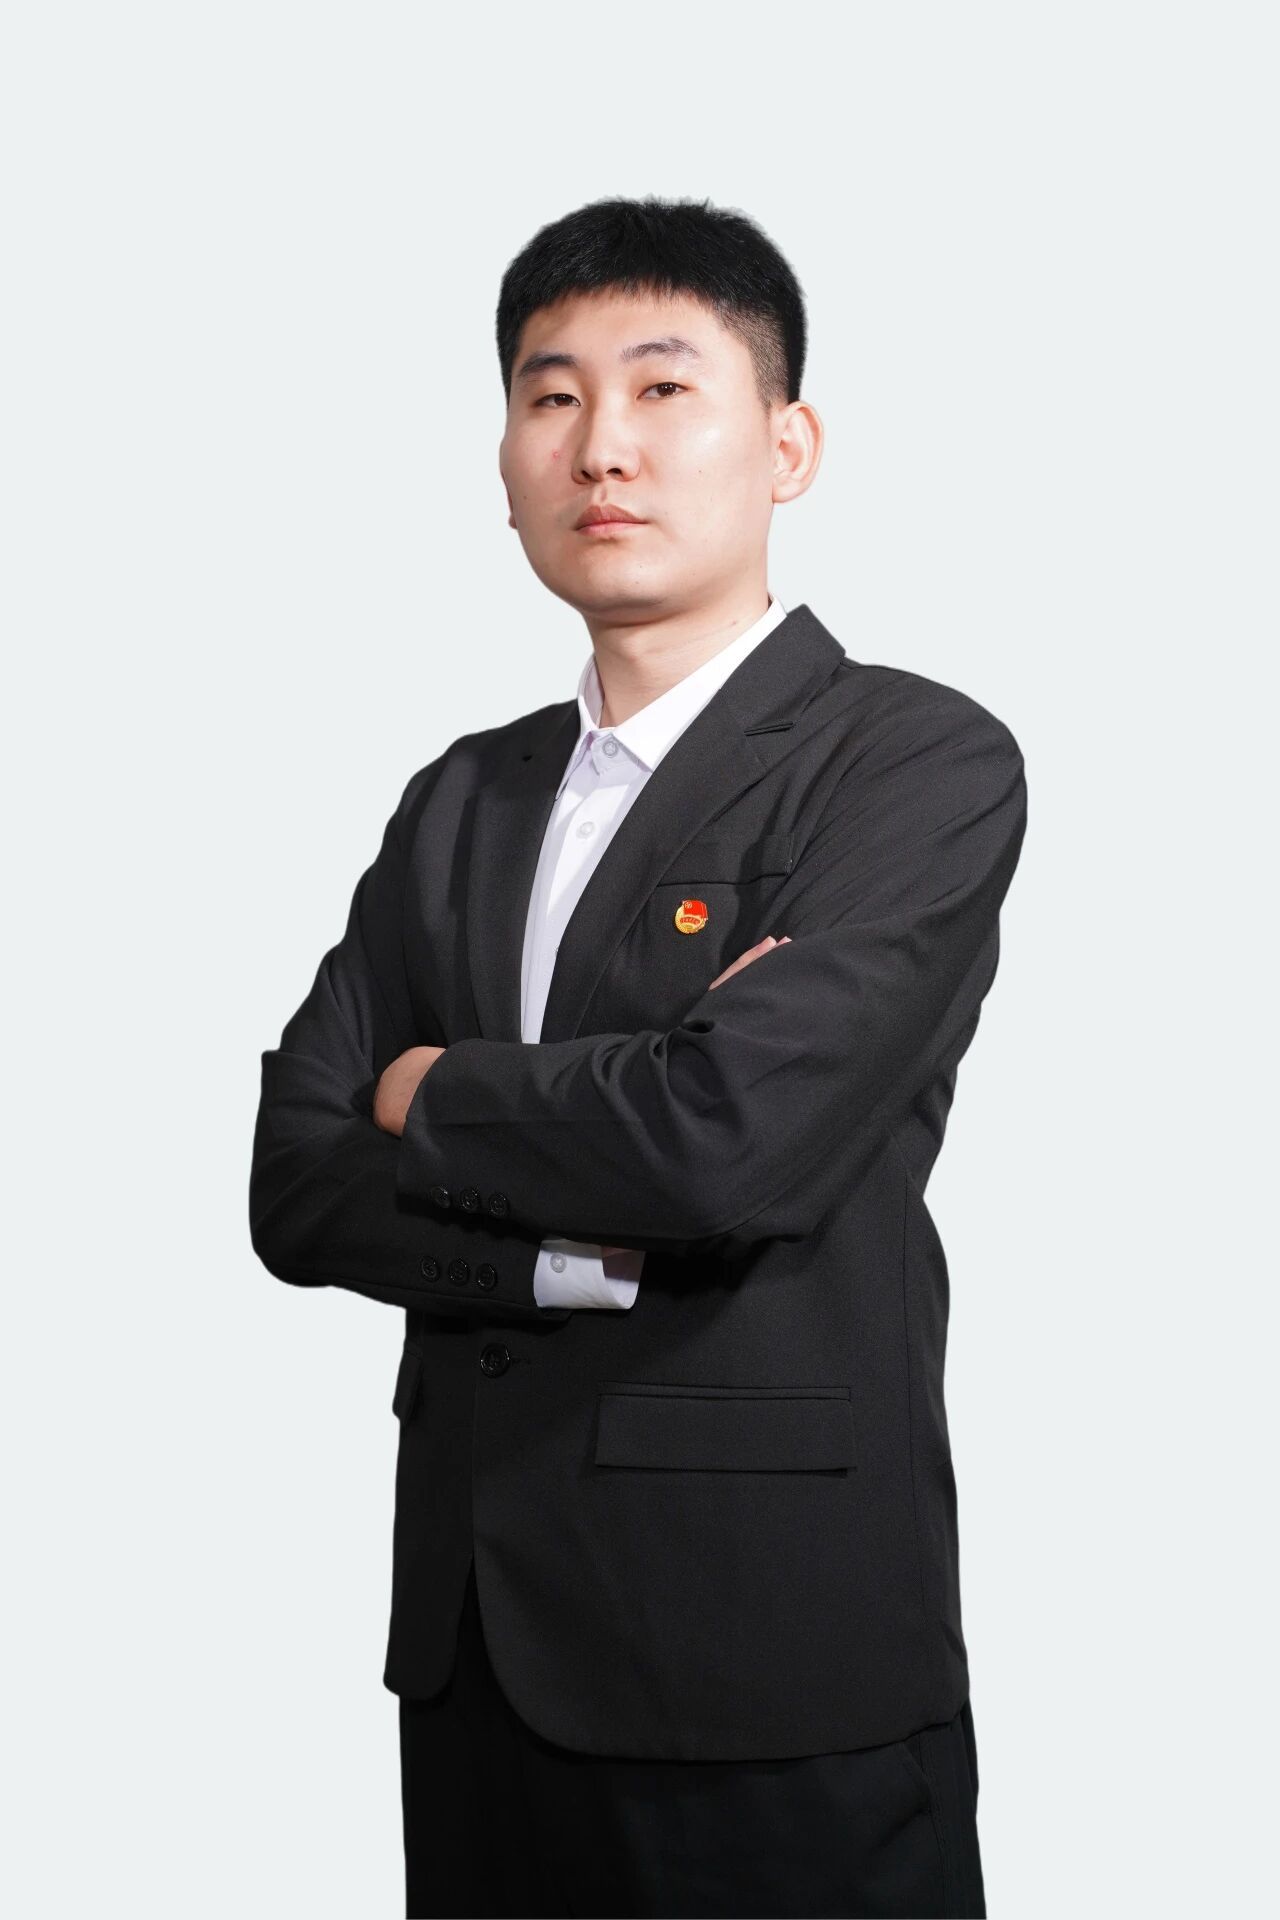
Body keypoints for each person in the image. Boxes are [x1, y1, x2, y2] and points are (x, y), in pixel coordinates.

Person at [250, 193, 1027, 1918]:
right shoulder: (462, 799)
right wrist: (566, 1241)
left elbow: (721, 1139)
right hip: (476, 1652)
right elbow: (294, 1177)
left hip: (768, 1651)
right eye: (552, 396)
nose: (602, 444)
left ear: (787, 445)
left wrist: (428, 1090)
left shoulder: (910, 762)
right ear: (506, 459)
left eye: (665, 388)